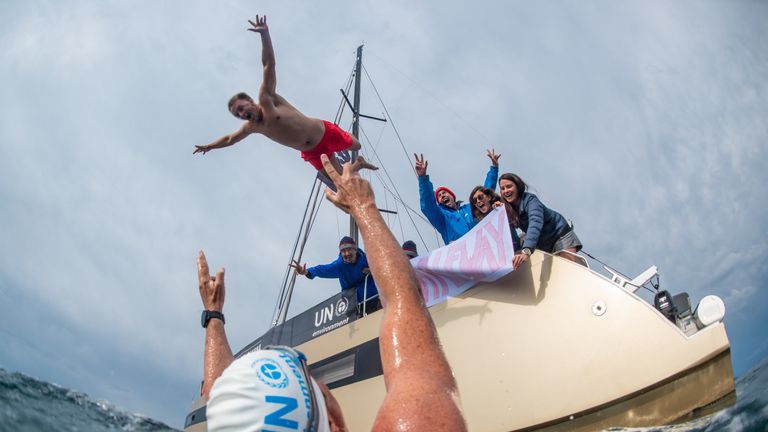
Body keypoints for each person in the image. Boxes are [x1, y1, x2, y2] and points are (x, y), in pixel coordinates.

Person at [196, 153, 467, 431]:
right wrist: (363, 207)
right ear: (332, 421)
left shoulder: (363, 259)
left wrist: (212, 314)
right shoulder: (341, 264)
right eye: (319, 386)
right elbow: (403, 300)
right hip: (369, 297)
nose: (348, 255)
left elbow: (217, 393)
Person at [193, 15, 377, 180]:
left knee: (356, 146)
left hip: (324, 133)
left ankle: (354, 154)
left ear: (250, 101)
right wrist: (210, 146)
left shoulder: (267, 98)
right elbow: (229, 139)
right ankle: (357, 165)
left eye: (241, 108)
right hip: (312, 152)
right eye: (237, 114)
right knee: (343, 184)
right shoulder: (252, 127)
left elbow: (268, 65)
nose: (241, 114)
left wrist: (264, 35)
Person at [415, 149, 501, 244]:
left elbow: (485, 194)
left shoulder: (470, 207)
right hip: (463, 256)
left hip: (484, 245)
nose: (442, 195)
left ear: (452, 196)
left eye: (444, 192)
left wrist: (494, 168)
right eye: (439, 196)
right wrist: (423, 178)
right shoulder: (442, 217)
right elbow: (427, 205)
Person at [498, 172, 583, 267]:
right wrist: (498, 213)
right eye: (502, 188)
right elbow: (508, 233)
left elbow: (535, 222)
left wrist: (526, 251)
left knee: (567, 268)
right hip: (543, 242)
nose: (506, 191)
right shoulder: (508, 209)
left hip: (560, 236)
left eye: (509, 186)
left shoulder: (530, 200)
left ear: (518, 186)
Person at [290, 236, 380, 313]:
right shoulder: (339, 266)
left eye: (349, 249)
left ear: (355, 249)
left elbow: (384, 266)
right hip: (353, 303)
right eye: (344, 251)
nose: (347, 253)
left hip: (373, 299)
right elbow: (321, 269)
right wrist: (306, 272)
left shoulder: (367, 260)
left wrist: (373, 270)